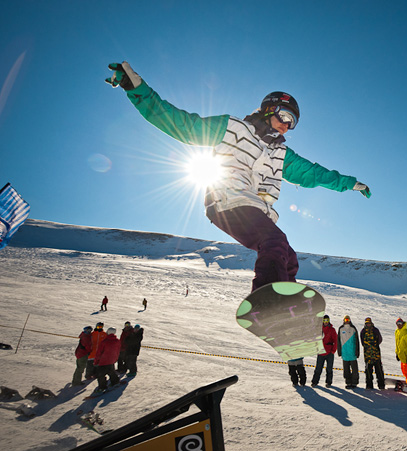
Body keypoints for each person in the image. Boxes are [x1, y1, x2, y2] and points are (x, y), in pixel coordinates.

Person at [106, 62, 372, 292]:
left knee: (289, 259)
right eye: (285, 116)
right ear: (269, 109)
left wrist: (348, 183)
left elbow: (312, 173)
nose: (286, 125)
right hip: (227, 201)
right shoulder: (232, 128)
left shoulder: (281, 153)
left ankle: (287, 313)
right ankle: (270, 298)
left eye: (292, 123)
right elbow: (179, 123)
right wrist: (137, 89)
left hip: (254, 209)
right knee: (275, 242)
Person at [311, 315, 337, 387]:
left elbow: (336, 340)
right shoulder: (319, 329)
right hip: (321, 352)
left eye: (327, 320)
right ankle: (315, 382)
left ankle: (328, 382)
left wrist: (333, 350)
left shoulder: (332, 330)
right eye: (324, 320)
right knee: (318, 368)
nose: (326, 322)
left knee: (329, 368)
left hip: (329, 352)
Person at [94, 327, 121, 393]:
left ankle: (102, 387)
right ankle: (115, 381)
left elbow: (99, 352)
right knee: (111, 371)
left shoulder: (105, 341)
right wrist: (116, 358)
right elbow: (118, 351)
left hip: (103, 361)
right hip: (111, 360)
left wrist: (96, 361)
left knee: (101, 375)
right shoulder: (117, 341)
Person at [360, 317, 385, 389]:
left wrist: (375, 346)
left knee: (379, 370)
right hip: (367, 355)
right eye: (367, 323)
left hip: (376, 353)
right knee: (368, 370)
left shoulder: (375, 330)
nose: (368, 324)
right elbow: (362, 342)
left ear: (371, 323)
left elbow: (380, 339)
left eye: (369, 323)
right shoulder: (363, 331)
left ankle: (381, 385)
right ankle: (369, 385)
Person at [337, 315, 360, 389]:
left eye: (348, 319)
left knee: (354, 369)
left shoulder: (353, 328)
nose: (347, 321)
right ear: (343, 320)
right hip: (345, 353)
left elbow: (357, 341)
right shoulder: (341, 329)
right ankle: (348, 382)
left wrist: (357, 352)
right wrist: (339, 351)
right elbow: (338, 341)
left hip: (352, 353)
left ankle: (354, 382)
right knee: (346, 369)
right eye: (345, 320)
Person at [394, 318, 407, 385]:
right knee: (404, 370)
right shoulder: (397, 331)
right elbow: (397, 344)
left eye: (400, 323)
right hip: (401, 356)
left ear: (403, 324)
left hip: (406, 356)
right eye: (397, 324)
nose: (399, 325)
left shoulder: (406, 332)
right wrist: (397, 353)